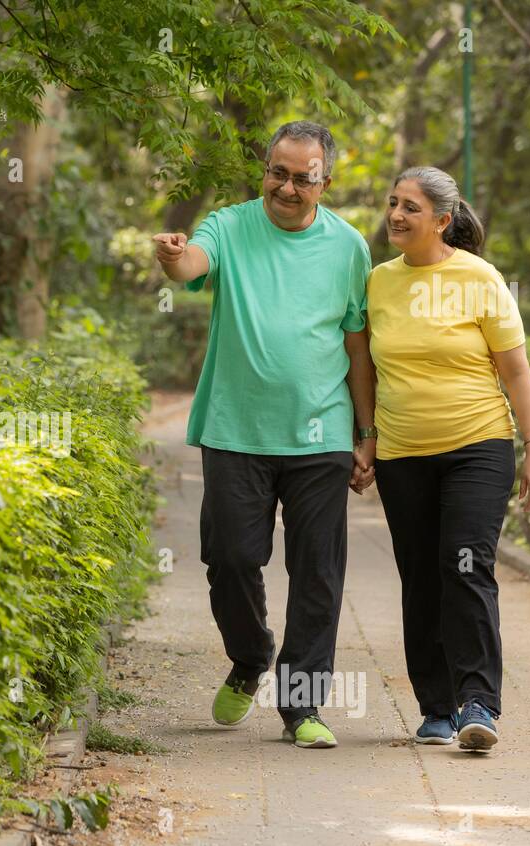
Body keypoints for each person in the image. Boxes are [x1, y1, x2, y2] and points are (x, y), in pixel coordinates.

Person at [152, 120, 376, 749]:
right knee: (228, 557)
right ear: (266, 171)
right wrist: (174, 257)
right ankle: (252, 657)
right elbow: (192, 263)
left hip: (322, 434)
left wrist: (367, 433)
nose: (286, 186)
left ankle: (301, 707)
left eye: (302, 177)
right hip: (235, 427)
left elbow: (356, 346)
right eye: (277, 172)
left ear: (324, 182)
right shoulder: (228, 225)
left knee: (318, 573)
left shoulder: (350, 247)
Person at [360, 165, 530, 751]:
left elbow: (515, 370)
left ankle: (478, 704)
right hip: (402, 453)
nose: (396, 215)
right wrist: (365, 437)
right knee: (420, 578)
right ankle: (436, 708)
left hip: (478, 447)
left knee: (464, 565)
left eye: (411, 207)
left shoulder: (480, 278)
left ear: (443, 219)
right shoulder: (378, 282)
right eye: (393, 203)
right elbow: (362, 366)